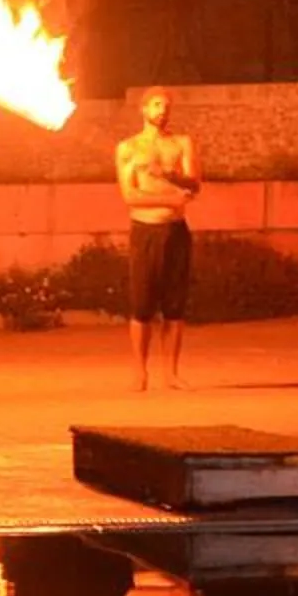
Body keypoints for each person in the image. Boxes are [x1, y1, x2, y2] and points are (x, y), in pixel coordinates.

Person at [114, 87, 199, 391]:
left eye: (166, 105)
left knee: (175, 306)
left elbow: (192, 187)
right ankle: (140, 372)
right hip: (145, 232)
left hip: (176, 233)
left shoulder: (181, 144)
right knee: (142, 305)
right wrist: (172, 198)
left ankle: (172, 374)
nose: (162, 110)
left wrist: (166, 174)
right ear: (144, 109)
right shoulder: (128, 148)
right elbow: (130, 196)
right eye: (156, 105)